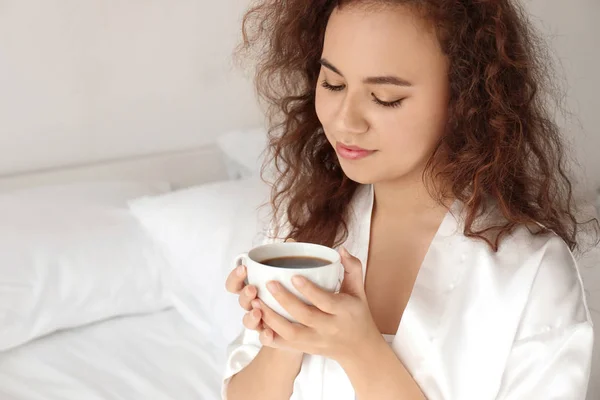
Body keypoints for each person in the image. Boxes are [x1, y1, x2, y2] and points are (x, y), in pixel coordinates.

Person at [223, 0, 597, 399]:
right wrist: (287, 335)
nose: (345, 120)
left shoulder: (530, 271)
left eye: (384, 97)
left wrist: (361, 351)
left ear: (464, 98)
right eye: (332, 83)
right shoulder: (304, 227)